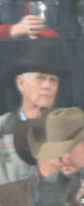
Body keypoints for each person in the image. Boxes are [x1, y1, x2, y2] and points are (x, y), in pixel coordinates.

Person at [0, 54, 61, 185]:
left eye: (53, 80)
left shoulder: (67, 127)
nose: (47, 85)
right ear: (20, 83)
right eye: (40, 78)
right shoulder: (2, 127)